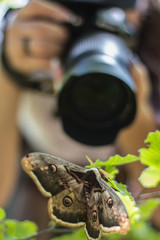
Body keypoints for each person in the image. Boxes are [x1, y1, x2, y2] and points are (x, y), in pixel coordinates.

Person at [0, 0, 159, 229]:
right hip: (34, 193)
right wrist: (9, 71)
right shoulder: (20, 34)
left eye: (115, 6)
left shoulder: (154, 37)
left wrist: (131, 108)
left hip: (116, 202)